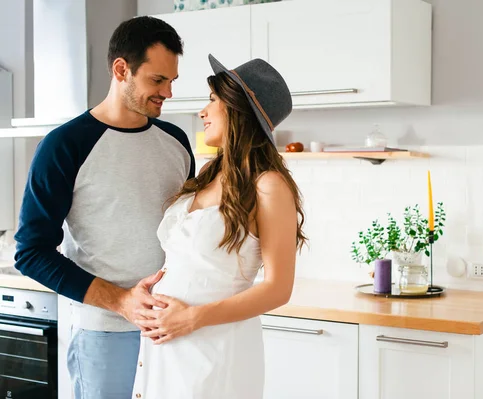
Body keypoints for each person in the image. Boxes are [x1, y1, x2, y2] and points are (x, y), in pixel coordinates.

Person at [12, 16, 195, 399]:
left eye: (172, 81)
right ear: (121, 69)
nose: (168, 93)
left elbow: (187, 232)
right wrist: (123, 302)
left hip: (174, 327)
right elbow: (31, 252)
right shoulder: (65, 145)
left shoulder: (176, 141)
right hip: (106, 332)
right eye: (158, 80)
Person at [129, 54, 307, 398]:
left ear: (239, 111)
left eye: (213, 100)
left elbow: (278, 288)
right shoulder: (209, 175)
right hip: (167, 345)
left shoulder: (268, 185)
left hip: (215, 347)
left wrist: (193, 318)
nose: (202, 111)